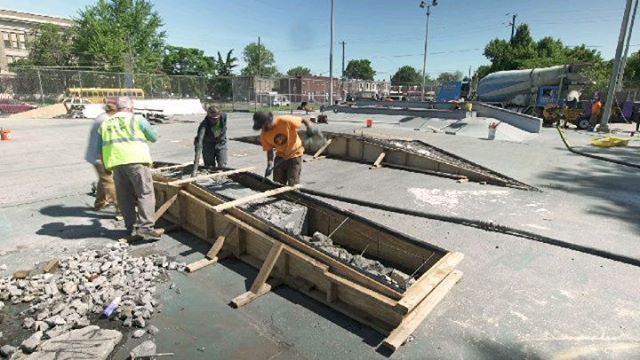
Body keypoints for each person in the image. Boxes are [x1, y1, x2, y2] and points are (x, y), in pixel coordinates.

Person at [95, 97, 163, 240]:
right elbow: (154, 137)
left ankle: (130, 227)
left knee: (124, 197)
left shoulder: (105, 123)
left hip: (116, 163)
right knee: (145, 193)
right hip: (136, 160)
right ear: (131, 108)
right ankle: (145, 228)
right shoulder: (136, 119)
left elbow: (98, 148)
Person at [252, 111, 318, 185]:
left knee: (293, 183)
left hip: (294, 156)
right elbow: (269, 150)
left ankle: (293, 195)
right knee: (277, 183)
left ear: (268, 121)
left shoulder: (285, 121)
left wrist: (309, 127)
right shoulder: (264, 135)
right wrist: (269, 165)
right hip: (280, 157)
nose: (262, 128)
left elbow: (304, 120)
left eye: (263, 125)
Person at [85, 101, 118, 212]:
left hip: (96, 155)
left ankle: (99, 203)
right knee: (109, 182)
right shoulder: (106, 120)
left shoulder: (101, 117)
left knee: (103, 179)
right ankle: (121, 209)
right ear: (114, 110)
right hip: (100, 156)